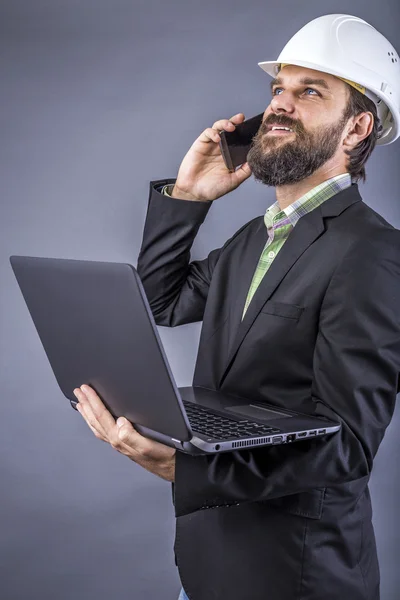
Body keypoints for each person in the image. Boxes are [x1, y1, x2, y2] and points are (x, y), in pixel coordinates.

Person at [73, 14, 400, 600]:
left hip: (294, 575)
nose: (280, 105)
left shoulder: (373, 253)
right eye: (279, 89)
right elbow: (159, 302)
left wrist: (186, 470)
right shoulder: (254, 238)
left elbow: (348, 444)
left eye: (309, 92)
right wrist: (189, 196)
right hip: (208, 560)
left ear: (357, 129)